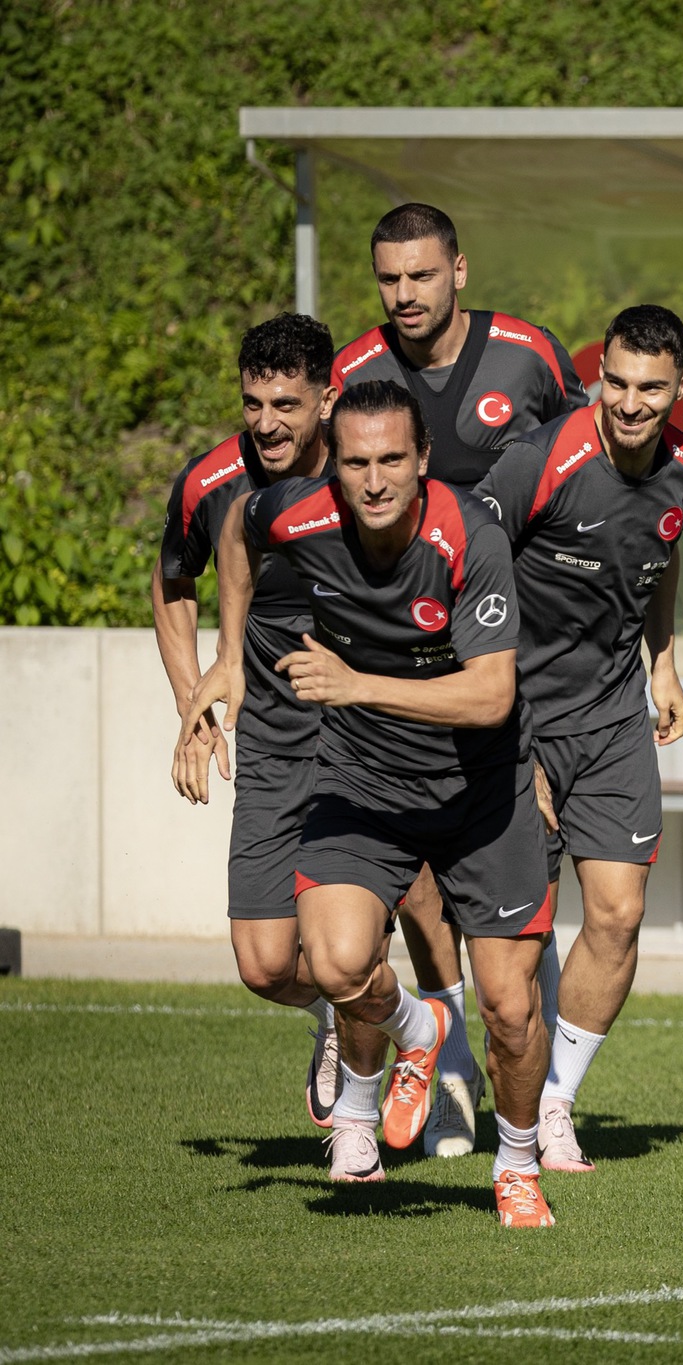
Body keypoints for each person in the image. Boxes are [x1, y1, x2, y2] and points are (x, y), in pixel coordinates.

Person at [173, 380, 558, 1227]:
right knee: (338, 963)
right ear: (334, 466)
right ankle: (418, 1032)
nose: (374, 481)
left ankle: (519, 1162)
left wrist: (356, 685)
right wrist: (230, 654)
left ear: (423, 459)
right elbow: (235, 528)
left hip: (482, 793)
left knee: (510, 1010)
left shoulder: (470, 535)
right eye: (355, 463)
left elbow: (491, 695)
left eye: (391, 460)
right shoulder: (296, 511)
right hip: (363, 782)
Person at [331, 202, 586, 1157]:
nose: (404, 293)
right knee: (414, 890)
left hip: (513, 658)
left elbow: (585, 473)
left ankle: (543, 1100)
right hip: (397, 668)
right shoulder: (354, 372)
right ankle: (449, 1076)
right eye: (388, 277)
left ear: (459, 271)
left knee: (523, 892)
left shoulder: (528, 356)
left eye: (422, 275)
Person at [473, 304, 683, 1171]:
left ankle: (556, 1101)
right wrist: (511, 738)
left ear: (681, 387)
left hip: (611, 718)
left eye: (651, 388)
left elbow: (660, 552)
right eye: (616, 383)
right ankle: (451, 1064)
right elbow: (463, 565)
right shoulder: (538, 461)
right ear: (596, 375)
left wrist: (664, 663)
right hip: (515, 719)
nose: (630, 403)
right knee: (518, 944)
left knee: (618, 912)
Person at [153, 313, 345, 1127]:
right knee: (266, 963)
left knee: (367, 932)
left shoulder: (370, 466)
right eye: (252, 403)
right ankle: (345, 1016)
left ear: (327, 399)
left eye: (286, 405)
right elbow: (172, 579)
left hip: (373, 739)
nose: (266, 423)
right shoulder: (212, 482)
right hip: (272, 743)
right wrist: (193, 701)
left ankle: (426, 1061)